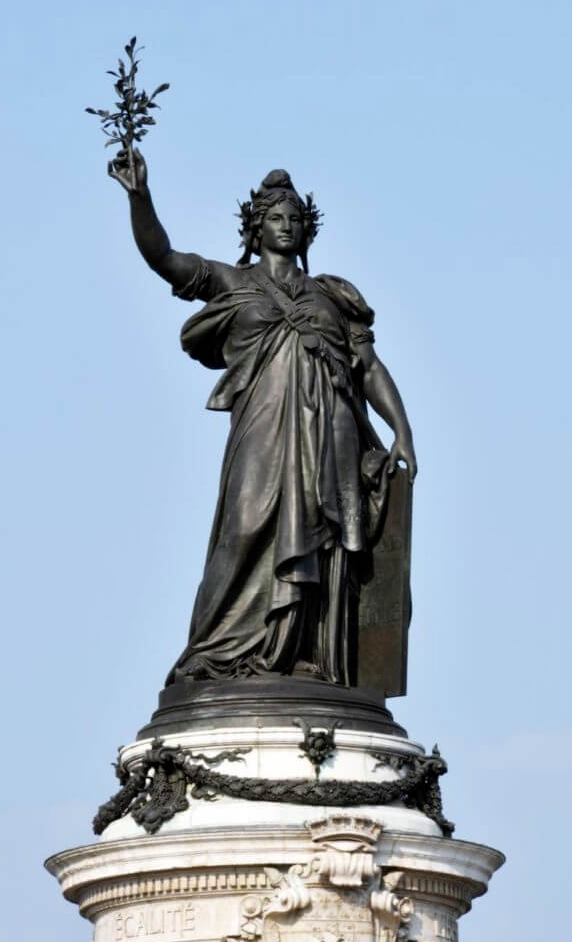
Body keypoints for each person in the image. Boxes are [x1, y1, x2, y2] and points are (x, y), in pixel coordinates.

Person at [109, 149, 417, 686]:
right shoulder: (234, 282)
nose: (287, 226)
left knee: (325, 541)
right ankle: (216, 651)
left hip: (332, 434)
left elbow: (367, 366)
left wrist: (402, 430)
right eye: (275, 217)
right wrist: (141, 197)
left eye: (295, 218)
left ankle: (308, 657)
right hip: (264, 429)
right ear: (256, 227)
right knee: (245, 526)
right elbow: (165, 258)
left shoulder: (332, 297)